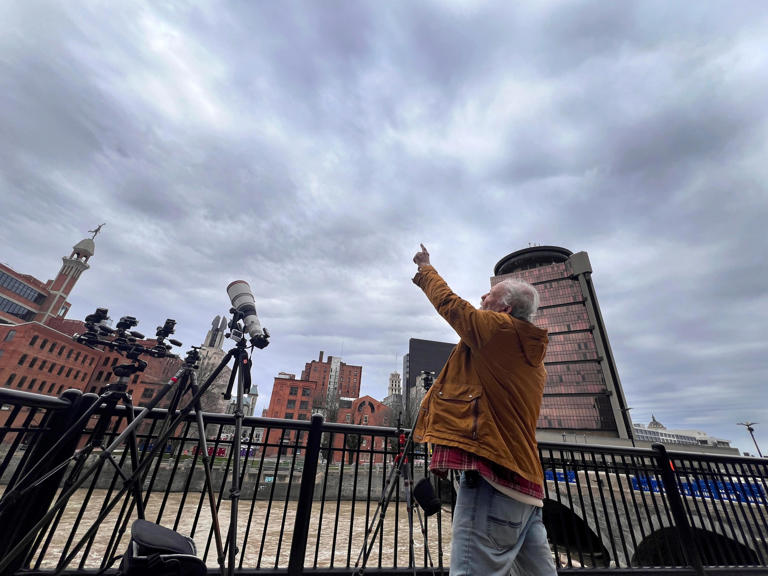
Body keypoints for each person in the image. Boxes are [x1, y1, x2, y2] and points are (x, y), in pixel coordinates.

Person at [411, 244, 556, 576]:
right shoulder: (530, 355)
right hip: (527, 491)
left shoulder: (498, 331)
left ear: (504, 308)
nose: (481, 297)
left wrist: (425, 268)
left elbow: (452, 306)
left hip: (494, 479)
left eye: (489, 295)